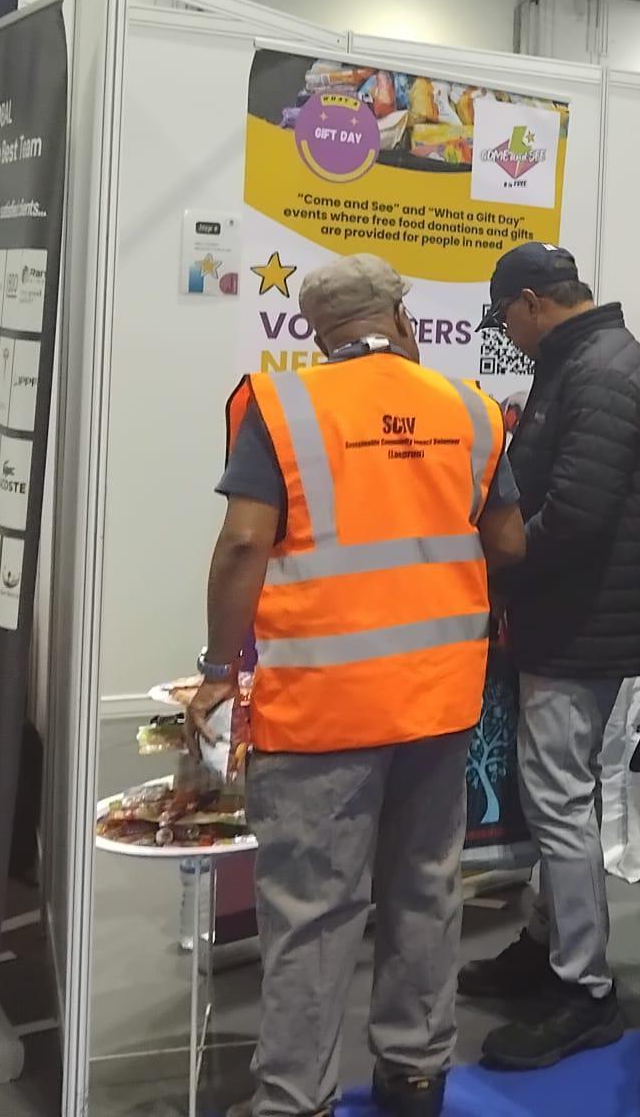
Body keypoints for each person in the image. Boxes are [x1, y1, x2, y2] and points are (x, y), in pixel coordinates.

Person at [192, 255, 526, 1117]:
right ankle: (415, 1075)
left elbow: (243, 544)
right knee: (425, 886)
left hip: (321, 709)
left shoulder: (280, 405)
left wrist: (219, 671)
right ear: (402, 318)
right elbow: (508, 542)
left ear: (316, 332)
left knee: (312, 910)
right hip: (437, 701)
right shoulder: (470, 408)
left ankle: (294, 1098)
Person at [458, 242, 640, 1070]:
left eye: (505, 320)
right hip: (575, 618)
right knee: (560, 796)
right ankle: (545, 943)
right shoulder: (586, 360)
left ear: (530, 304)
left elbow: (577, 516)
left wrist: (502, 563)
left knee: (558, 802)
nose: (508, 336)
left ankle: (583, 989)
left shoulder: (598, 371)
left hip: (579, 621)